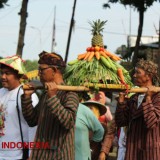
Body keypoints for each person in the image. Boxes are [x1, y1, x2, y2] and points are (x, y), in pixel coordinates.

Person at [21, 51, 79, 160]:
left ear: (54, 71)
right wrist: (27, 98)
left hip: (59, 156)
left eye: (41, 70)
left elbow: (68, 122)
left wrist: (53, 98)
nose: (38, 73)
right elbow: (32, 120)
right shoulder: (45, 94)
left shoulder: (70, 93)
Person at [115, 59, 160, 160]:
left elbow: (151, 122)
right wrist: (121, 102)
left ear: (149, 76)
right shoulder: (134, 98)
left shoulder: (157, 98)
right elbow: (121, 122)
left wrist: (148, 98)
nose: (134, 75)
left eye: (138, 72)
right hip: (132, 151)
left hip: (149, 153)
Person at [0, 55, 39, 160]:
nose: (3, 76)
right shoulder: (0, 93)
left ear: (18, 75)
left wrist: (32, 154)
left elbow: (34, 127)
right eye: (2, 73)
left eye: (7, 73)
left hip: (17, 155)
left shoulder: (26, 95)